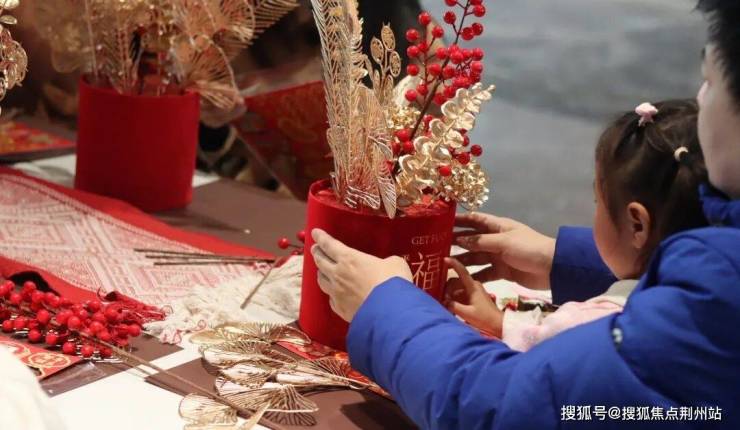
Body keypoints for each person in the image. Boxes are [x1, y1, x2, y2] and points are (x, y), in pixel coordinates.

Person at [310, 1, 740, 428]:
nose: (701, 100)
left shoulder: (716, 302)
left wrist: (386, 310)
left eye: (709, 82)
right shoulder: (716, 269)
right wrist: (564, 259)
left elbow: (506, 407)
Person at [445, 100, 708, 351]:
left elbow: (542, 356)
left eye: (598, 202)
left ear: (637, 225)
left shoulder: (593, 326)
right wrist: (554, 257)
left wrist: (499, 322)